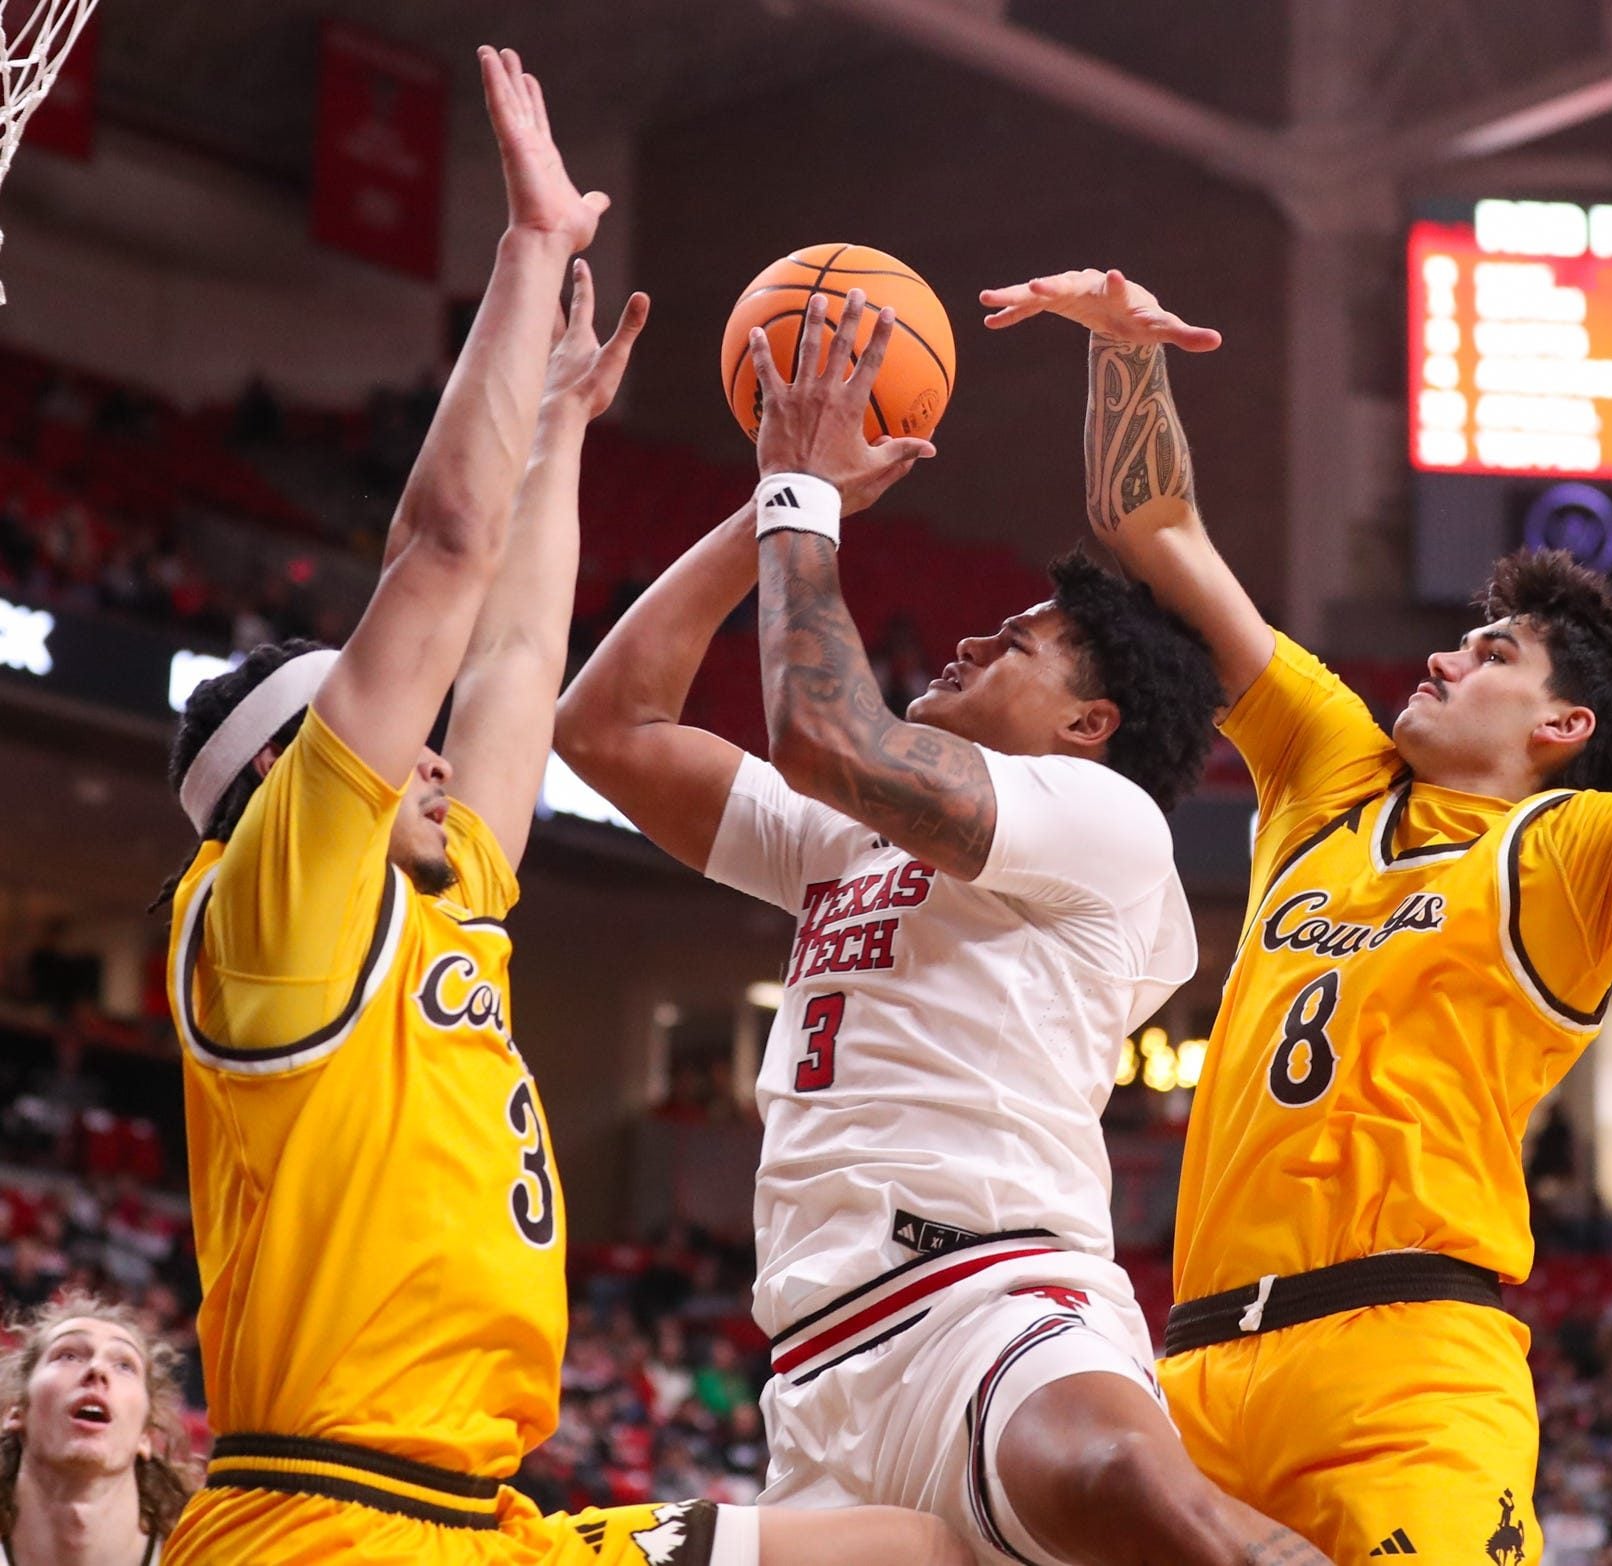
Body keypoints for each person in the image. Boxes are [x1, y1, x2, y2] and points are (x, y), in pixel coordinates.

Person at [981, 265, 1612, 1560]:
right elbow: (1156, 530)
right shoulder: (1329, 771)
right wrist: (1124, 350)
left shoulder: (1580, 853)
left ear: (1561, 725)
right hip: (1191, 1362)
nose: (1443, 654)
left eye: (1491, 652)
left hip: (1407, 1368)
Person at [156, 50, 962, 1566]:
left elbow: (524, 657)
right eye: (394, 739)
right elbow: (442, 554)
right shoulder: (269, 913)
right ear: (288, 786)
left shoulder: (440, 891)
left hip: (491, 1516)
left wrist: (593, 438)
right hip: (325, 1523)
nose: (440, 755)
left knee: (921, 1552)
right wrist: (530, 254)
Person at [555, 289, 1329, 1566]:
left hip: (995, 1305)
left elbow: (824, 737)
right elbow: (607, 733)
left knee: (1137, 1492)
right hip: (817, 1378)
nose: (974, 634)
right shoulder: (840, 840)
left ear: (1091, 726)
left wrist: (807, 500)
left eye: (1020, 644)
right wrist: (767, 507)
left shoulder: (1101, 821)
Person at [0, 1295, 199, 1566]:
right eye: (68, 1355)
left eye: (124, 1366)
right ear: (16, 1410)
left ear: (146, 1434)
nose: (97, 1368)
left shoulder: (207, 1557)